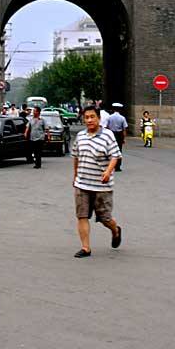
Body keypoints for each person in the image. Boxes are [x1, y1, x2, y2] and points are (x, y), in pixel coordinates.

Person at [71, 105, 122, 258]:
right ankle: (86, 248)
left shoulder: (108, 135)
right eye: (86, 117)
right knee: (82, 215)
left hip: (102, 186)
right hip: (82, 183)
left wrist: (108, 171)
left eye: (92, 117)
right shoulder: (80, 136)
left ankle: (115, 230)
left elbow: (115, 155)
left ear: (99, 118)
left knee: (104, 218)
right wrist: (75, 176)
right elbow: (76, 156)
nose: (89, 120)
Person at [105, 104, 128, 171]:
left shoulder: (109, 117)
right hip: (119, 135)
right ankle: (118, 166)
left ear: (113, 109)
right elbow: (124, 129)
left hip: (111, 134)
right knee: (119, 150)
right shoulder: (122, 118)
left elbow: (107, 127)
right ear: (120, 109)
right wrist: (124, 138)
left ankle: (110, 166)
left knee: (110, 150)